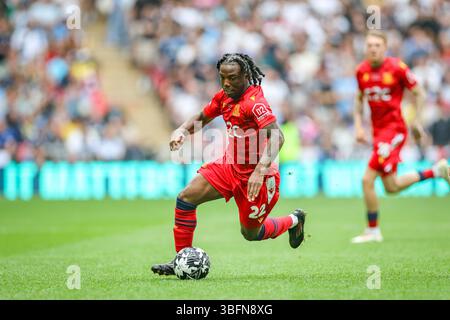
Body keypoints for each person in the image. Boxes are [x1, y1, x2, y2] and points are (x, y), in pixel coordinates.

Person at [152, 53, 306, 276]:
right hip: (229, 166)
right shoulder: (224, 96)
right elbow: (203, 116)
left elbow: (277, 137)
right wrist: (183, 131)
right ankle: (181, 260)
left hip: (259, 177)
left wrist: (259, 170)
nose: (226, 83)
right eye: (222, 77)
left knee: (251, 233)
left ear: (245, 75)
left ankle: (294, 220)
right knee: (186, 197)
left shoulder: (255, 104)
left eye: (232, 78)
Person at [351, 30, 450, 244]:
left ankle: (373, 231)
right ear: (365, 48)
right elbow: (358, 100)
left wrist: (416, 121)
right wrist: (358, 127)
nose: (373, 49)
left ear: (385, 48)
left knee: (366, 179)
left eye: (377, 45)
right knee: (392, 186)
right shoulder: (361, 71)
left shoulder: (397, 68)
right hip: (378, 133)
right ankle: (436, 170)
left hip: (394, 130)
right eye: (369, 45)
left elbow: (419, 93)